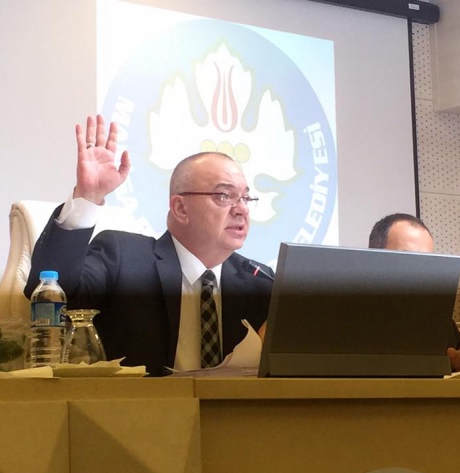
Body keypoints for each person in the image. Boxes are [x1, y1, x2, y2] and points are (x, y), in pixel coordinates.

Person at [24, 114, 273, 376]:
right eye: (224, 196)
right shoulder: (123, 257)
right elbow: (54, 294)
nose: (241, 209)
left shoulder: (258, 282)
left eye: (246, 198)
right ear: (180, 208)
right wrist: (88, 198)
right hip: (139, 402)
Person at [369, 213, 460, 372]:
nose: (419, 268)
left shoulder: (441, 324)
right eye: (408, 257)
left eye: (427, 260)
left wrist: (455, 364)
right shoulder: (348, 315)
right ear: (375, 257)